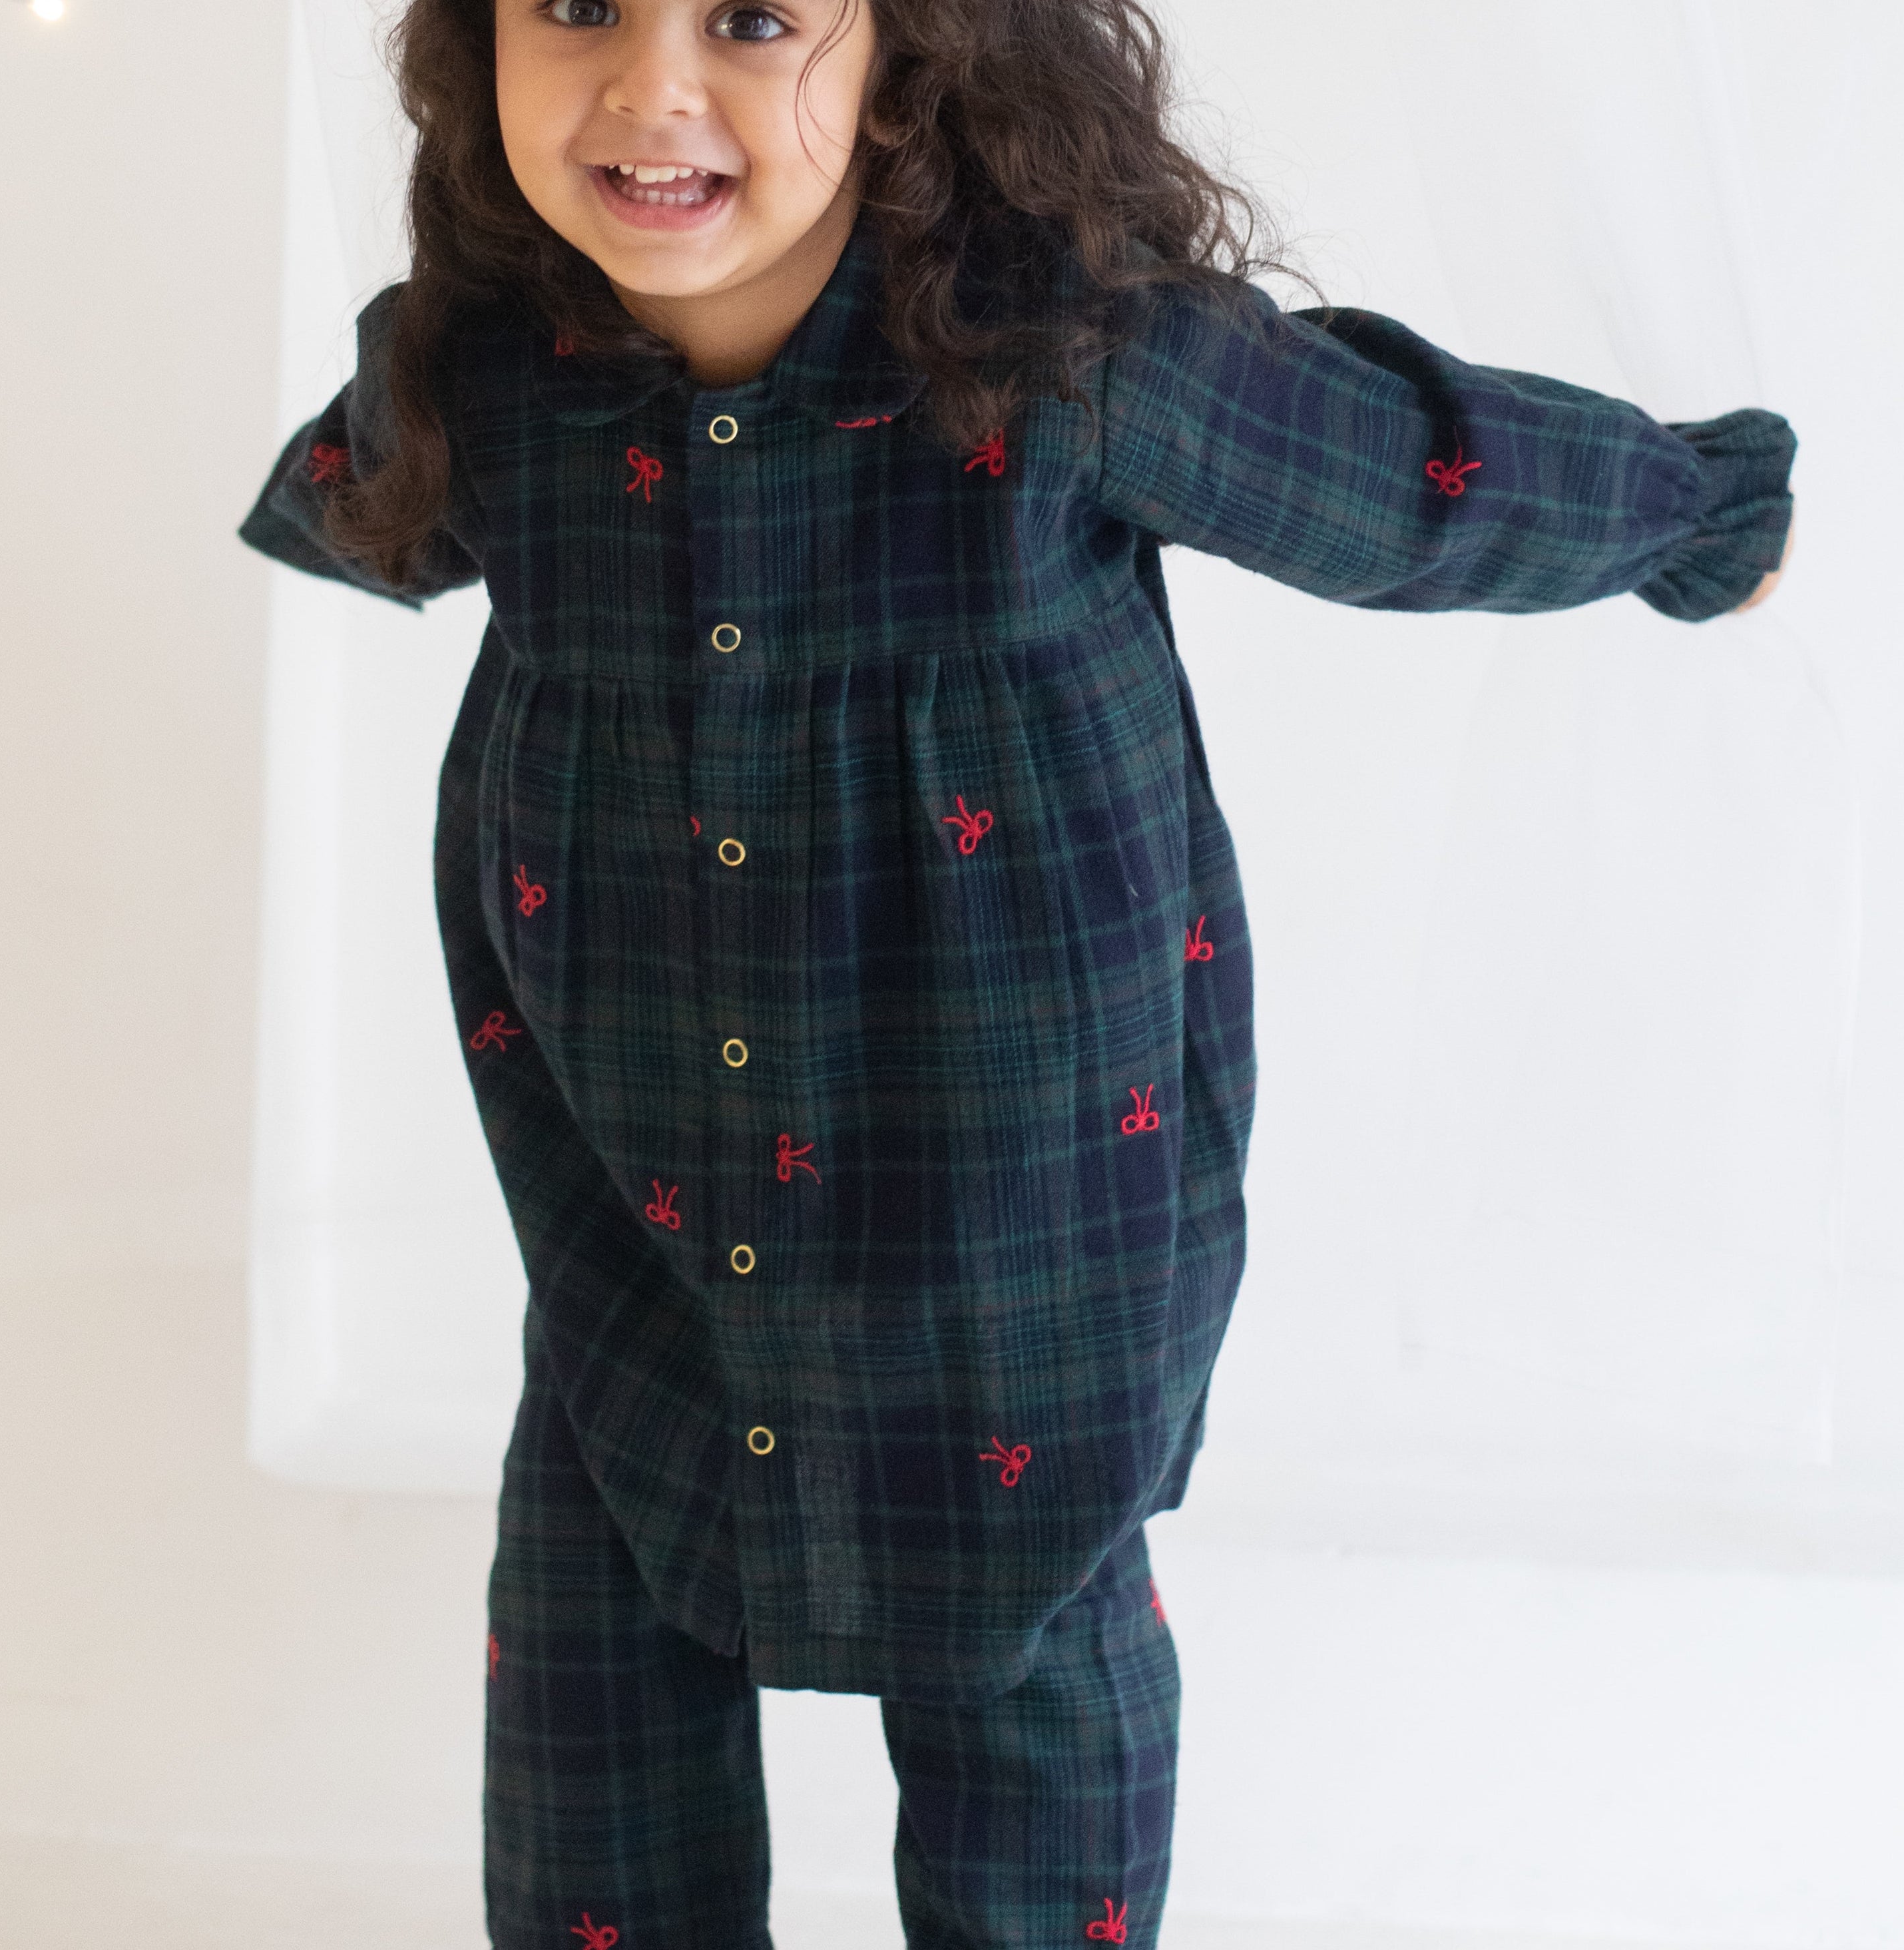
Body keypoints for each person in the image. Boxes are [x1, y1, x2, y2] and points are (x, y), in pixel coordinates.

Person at [238, 1, 1797, 1942]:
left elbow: (1408, 479)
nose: (649, 86)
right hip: (637, 1236)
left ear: (915, 42)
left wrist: (1698, 512)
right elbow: (351, 505)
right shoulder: (487, 375)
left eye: (749, 19)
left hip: (1004, 1245)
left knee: (1024, 1712)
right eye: (572, 7)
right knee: (588, 1723)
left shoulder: (1060, 359)